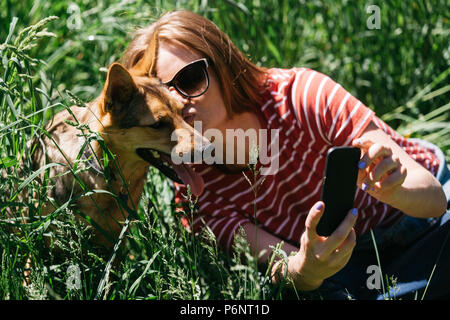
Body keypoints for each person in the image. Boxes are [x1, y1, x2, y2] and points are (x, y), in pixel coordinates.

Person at [122, 10, 450, 299]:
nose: (179, 102)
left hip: (423, 218)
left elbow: (434, 199)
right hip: (350, 264)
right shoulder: (196, 196)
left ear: (222, 62)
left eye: (190, 79)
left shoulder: (302, 97)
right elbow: (286, 267)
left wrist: (394, 189)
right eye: (161, 101)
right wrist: (307, 267)